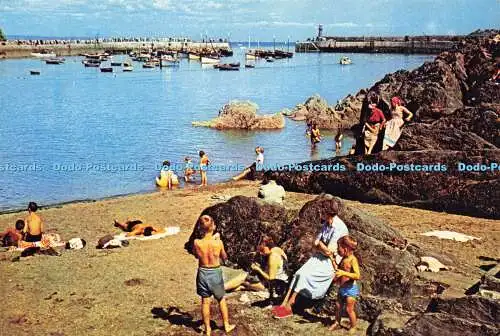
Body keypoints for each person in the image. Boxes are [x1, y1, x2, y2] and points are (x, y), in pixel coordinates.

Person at [274, 203, 349, 319]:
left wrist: (320, 245)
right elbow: (316, 243)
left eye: (322, 212)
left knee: (304, 275)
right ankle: (284, 303)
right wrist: (320, 245)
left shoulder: (339, 227)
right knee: (299, 273)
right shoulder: (326, 224)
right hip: (320, 256)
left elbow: (330, 251)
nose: (320, 214)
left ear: (329, 214)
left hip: (331, 262)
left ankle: (289, 305)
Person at [193, 215, 235, 335]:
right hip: (215, 272)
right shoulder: (218, 242)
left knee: (205, 302)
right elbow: (225, 257)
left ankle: (207, 329)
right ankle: (226, 325)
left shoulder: (196, 242)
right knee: (221, 300)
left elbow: (197, 255)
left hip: (203, 272)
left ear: (201, 228)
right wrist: (217, 240)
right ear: (213, 227)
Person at [329, 236, 361, 334]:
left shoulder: (353, 260)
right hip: (342, 287)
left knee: (349, 309)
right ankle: (337, 322)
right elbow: (338, 269)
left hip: (350, 288)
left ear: (345, 248)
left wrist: (344, 273)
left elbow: (357, 275)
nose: (337, 250)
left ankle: (353, 326)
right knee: (338, 306)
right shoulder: (343, 258)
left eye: (339, 248)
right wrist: (332, 259)